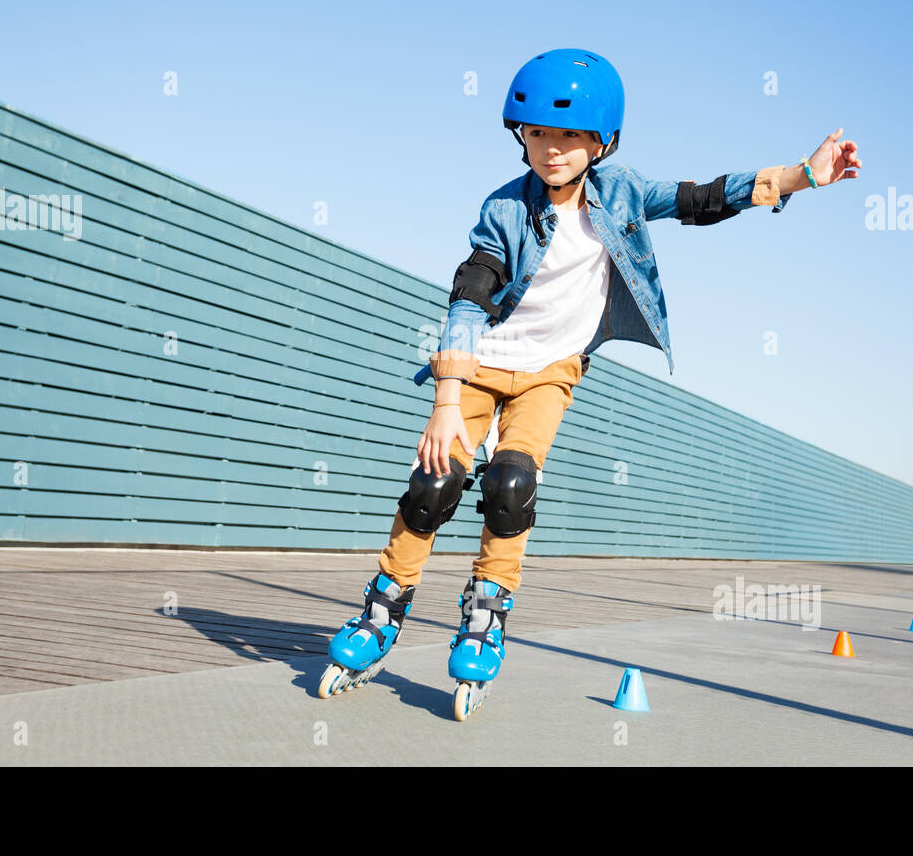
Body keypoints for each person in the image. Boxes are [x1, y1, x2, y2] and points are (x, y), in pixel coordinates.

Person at [318, 48, 861, 718]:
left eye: (569, 136)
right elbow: (468, 296)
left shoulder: (624, 192)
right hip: (480, 367)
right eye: (537, 134)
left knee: (511, 484)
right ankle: (384, 608)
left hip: (550, 373)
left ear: (600, 142)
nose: (551, 150)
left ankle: (486, 613)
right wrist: (447, 401)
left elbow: (706, 198)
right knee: (435, 482)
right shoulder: (504, 210)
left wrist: (805, 175)